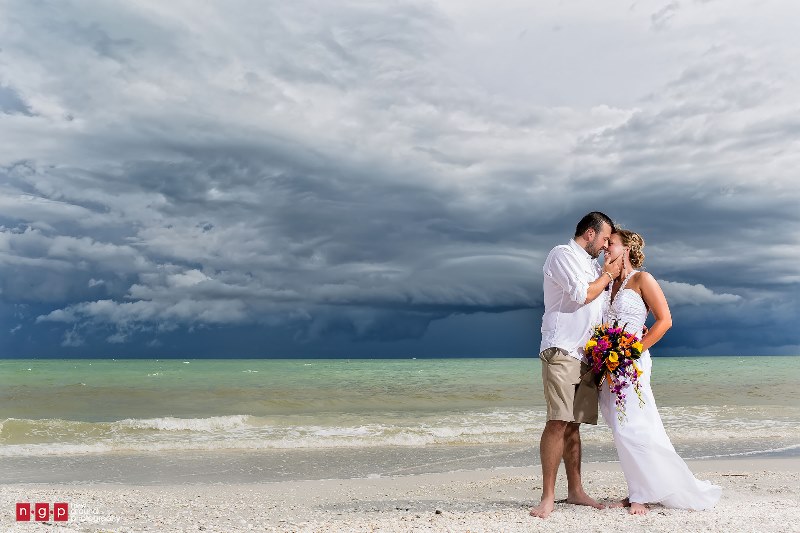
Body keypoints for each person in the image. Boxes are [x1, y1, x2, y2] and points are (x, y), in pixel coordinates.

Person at [600, 229, 721, 514]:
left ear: (626, 248)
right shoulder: (608, 284)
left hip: (632, 362)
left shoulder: (643, 279)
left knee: (634, 425)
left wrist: (632, 351)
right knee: (620, 428)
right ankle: (637, 489)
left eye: (611, 244)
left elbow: (665, 321)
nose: (605, 248)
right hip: (609, 365)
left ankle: (641, 494)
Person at [530, 211, 622, 519]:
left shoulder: (594, 267)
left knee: (573, 424)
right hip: (562, 349)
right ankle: (547, 497)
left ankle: (576, 491)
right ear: (590, 233)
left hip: (586, 355)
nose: (606, 245)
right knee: (558, 420)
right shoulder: (562, 254)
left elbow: (599, 310)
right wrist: (608, 276)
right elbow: (582, 294)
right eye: (605, 238)